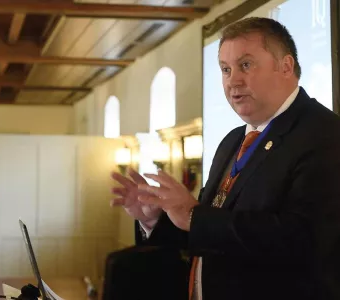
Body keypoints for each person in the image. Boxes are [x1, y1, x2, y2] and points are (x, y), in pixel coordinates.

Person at [110, 17, 340, 300]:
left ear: (286, 66)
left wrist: (194, 217)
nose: (233, 80)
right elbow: (211, 232)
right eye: (225, 69)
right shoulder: (232, 140)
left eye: (245, 65)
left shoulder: (324, 133)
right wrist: (158, 220)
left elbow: (304, 239)